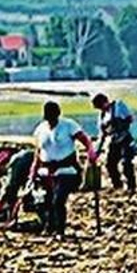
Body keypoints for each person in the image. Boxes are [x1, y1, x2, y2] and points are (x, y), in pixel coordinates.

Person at [31, 100, 96, 236]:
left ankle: (60, 230)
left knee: (58, 200)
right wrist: (33, 170)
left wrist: (90, 152)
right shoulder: (41, 129)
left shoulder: (69, 125)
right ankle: (49, 226)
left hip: (67, 170)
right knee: (44, 201)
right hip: (45, 171)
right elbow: (38, 151)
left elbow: (85, 140)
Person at [90, 92, 137, 193]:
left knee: (126, 163)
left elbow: (131, 120)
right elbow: (102, 135)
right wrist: (96, 152)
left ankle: (131, 187)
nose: (101, 109)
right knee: (110, 164)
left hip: (126, 139)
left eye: (101, 106)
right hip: (114, 141)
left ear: (105, 102)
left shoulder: (119, 106)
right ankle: (117, 185)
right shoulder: (102, 116)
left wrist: (135, 140)